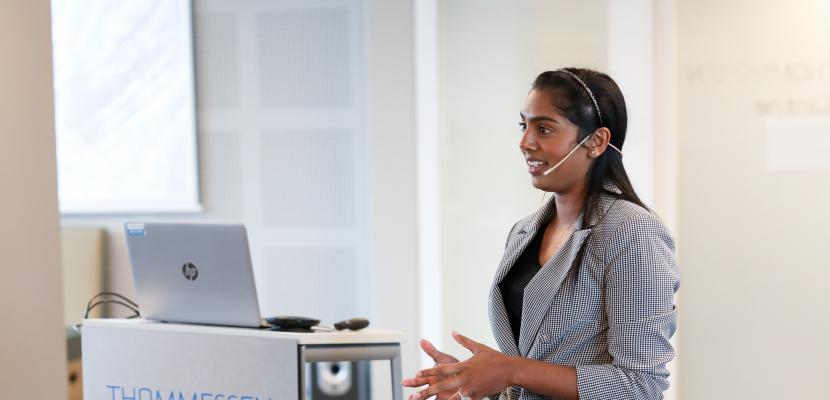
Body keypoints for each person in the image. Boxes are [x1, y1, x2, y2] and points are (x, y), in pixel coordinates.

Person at [401, 67, 680, 400]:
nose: (525, 142)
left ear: (596, 142)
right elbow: (533, 373)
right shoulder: (523, 232)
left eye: (544, 129)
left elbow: (640, 383)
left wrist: (510, 369)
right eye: (524, 125)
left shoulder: (632, 231)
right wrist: (473, 382)